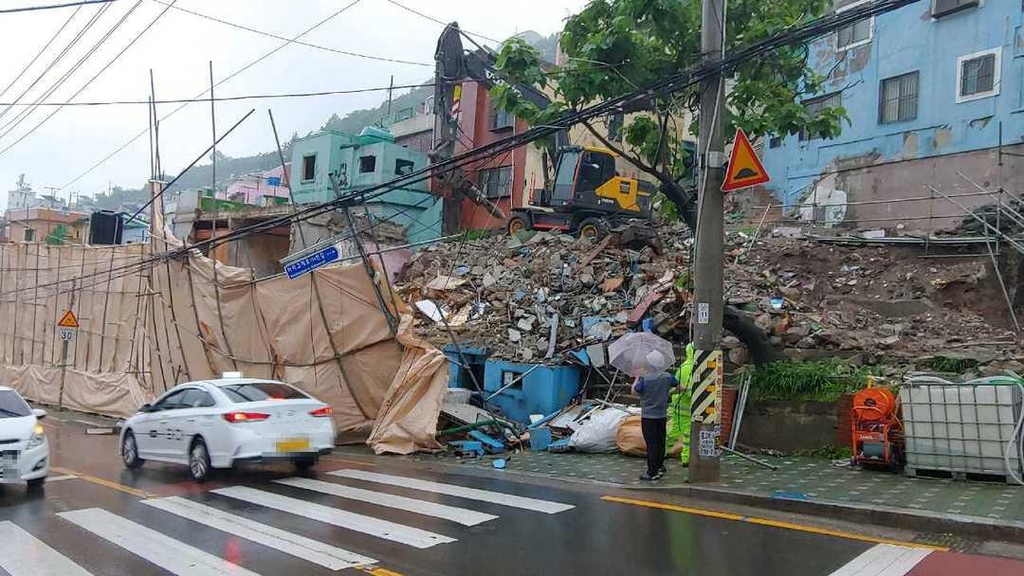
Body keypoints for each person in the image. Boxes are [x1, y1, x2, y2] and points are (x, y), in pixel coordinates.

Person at [632, 350, 679, 481]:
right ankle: (660, 466)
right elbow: (680, 387)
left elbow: (635, 392)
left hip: (648, 416)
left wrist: (637, 377)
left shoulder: (645, 379)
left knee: (651, 444)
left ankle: (652, 472)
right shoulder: (667, 376)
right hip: (662, 415)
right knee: (660, 441)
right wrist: (667, 393)